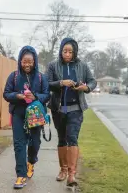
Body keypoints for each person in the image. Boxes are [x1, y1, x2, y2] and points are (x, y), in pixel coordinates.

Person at [46, 37, 96, 187]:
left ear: (74, 53)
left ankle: (71, 175)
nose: (67, 54)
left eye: (70, 52)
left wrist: (85, 88)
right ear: (61, 51)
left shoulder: (82, 66)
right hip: (58, 109)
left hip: (76, 109)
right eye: (64, 51)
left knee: (72, 138)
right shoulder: (53, 66)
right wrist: (61, 83)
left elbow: (92, 81)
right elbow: (47, 84)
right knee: (62, 139)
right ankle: (63, 170)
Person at [3, 46, 50, 189]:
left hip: (35, 114)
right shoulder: (14, 76)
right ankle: (20, 175)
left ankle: (31, 161)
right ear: (20, 61)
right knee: (19, 144)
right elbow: (6, 94)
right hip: (18, 113)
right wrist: (17, 96)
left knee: (35, 143)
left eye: (30, 61)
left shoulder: (41, 77)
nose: (27, 64)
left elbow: (47, 95)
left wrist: (35, 96)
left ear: (34, 61)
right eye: (24, 61)